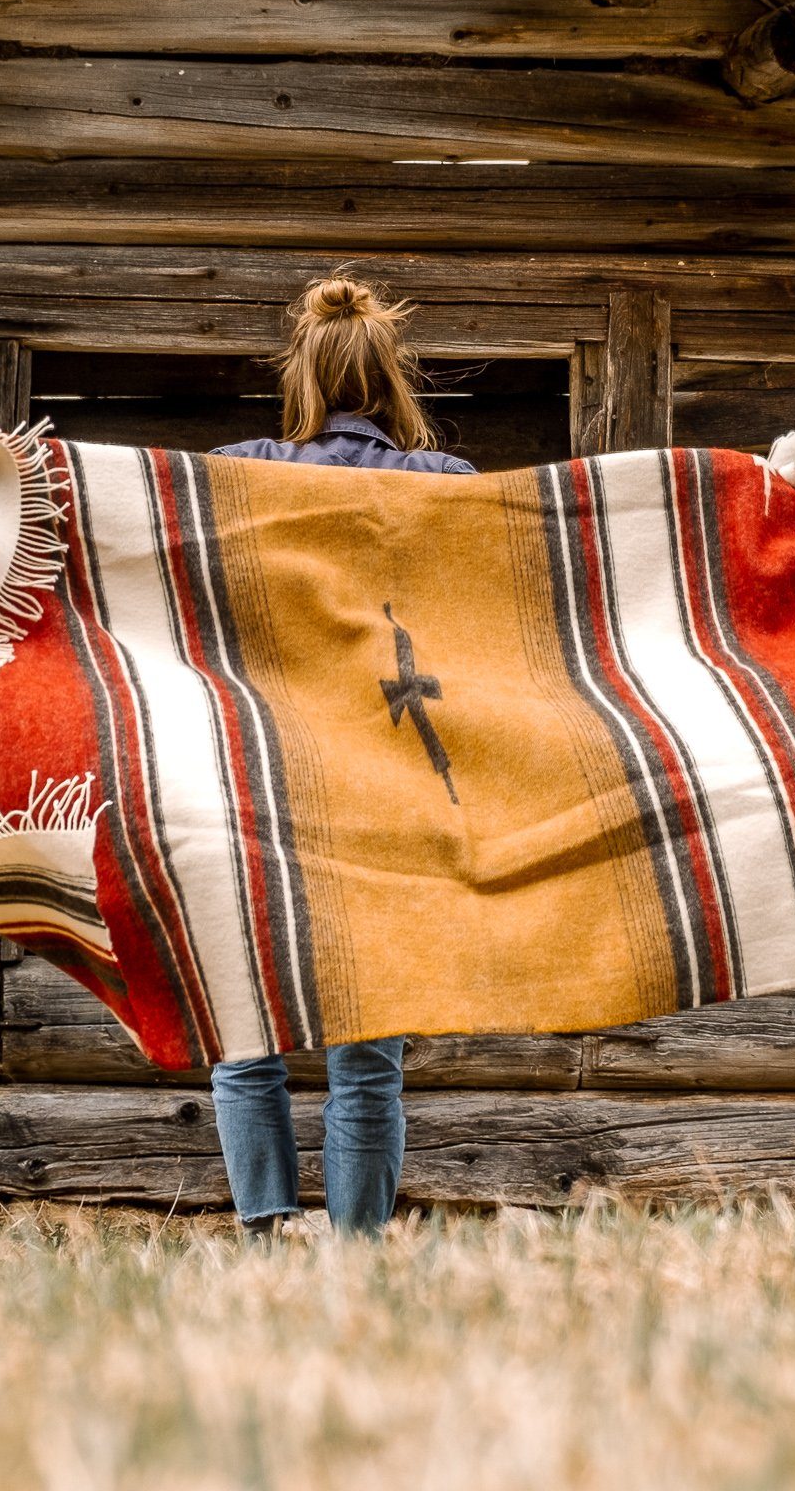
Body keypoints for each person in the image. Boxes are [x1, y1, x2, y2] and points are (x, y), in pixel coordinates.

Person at [209, 273, 476, 1239]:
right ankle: (357, 1259)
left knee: (247, 1036)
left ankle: (265, 1243)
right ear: (391, 377)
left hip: (254, 783)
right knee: (370, 1055)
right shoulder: (448, 489)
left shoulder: (233, 475)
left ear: (304, 374)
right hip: (395, 790)